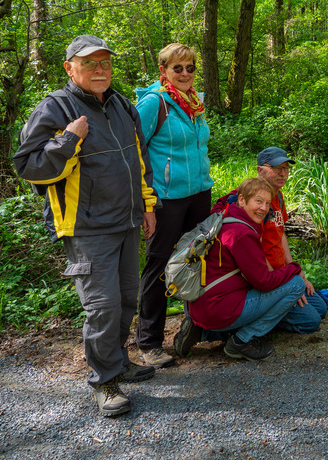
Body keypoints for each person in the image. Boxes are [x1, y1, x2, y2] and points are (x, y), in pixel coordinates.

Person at [14, 35, 158, 417]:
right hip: (86, 226)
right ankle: (104, 382)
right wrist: (69, 140)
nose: (100, 69)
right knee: (103, 305)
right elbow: (29, 168)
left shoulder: (122, 104)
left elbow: (138, 159)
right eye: (90, 62)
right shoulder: (56, 107)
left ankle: (119, 362)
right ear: (69, 68)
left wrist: (147, 205)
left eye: (105, 62)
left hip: (126, 220)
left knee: (127, 298)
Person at [174, 146, 326, 354]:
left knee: (319, 307)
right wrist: (290, 279)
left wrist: (292, 268)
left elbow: (280, 234)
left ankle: (211, 331)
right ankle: (239, 338)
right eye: (276, 168)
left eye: (285, 168)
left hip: (245, 286)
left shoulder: (275, 197)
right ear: (260, 170)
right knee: (309, 319)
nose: (283, 173)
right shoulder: (243, 219)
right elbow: (261, 275)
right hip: (247, 286)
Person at [134, 43, 213, 369]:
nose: (184, 73)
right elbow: (134, 152)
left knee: (195, 262)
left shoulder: (196, 102)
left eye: (190, 67)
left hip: (199, 193)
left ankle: (194, 326)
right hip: (166, 198)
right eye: (177, 68)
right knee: (159, 265)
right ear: (163, 71)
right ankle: (149, 342)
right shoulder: (154, 104)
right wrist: (147, 203)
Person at [181, 178, 306, 361]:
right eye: (258, 201)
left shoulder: (224, 217)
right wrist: (294, 269)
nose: (263, 208)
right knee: (296, 285)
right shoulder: (241, 233)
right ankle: (242, 341)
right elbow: (264, 282)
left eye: (266, 203)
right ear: (241, 200)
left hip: (202, 302)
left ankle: (204, 332)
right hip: (217, 308)